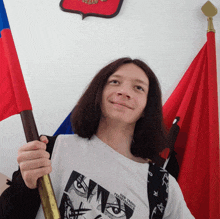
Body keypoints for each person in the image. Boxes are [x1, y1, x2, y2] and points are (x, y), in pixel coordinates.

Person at [0, 57, 195, 218]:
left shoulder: (162, 188)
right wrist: (25, 186)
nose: (124, 92)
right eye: (115, 82)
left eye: (138, 88)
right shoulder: (50, 148)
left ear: (147, 107)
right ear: (99, 93)